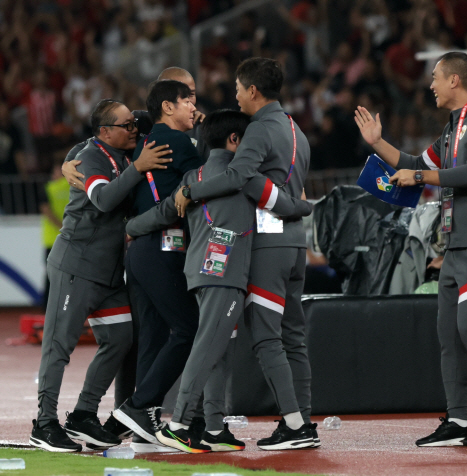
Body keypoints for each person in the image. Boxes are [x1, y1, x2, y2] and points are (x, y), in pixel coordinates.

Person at [355, 51, 467, 447]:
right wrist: (378, 145)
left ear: (455, 81)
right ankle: (458, 418)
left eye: (435, 78)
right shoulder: (451, 130)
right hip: (456, 247)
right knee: (448, 333)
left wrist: (421, 174)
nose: (430, 85)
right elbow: (412, 163)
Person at [127, 109, 313, 452]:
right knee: (209, 346)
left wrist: (130, 229)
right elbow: (288, 205)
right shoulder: (244, 178)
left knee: (217, 346)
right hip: (226, 275)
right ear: (235, 140)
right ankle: (179, 424)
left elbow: (164, 212)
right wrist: (305, 206)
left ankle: (214, 428)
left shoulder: (192, 176)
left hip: (197, 272)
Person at [174, 57, 317, 450]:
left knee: (266, 340)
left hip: (266, 246)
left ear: (253, 91)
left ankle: (294, 426)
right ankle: (303, 418)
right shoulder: (296, 130)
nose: (236, 97)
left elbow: (238, 177)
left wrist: (188, 192)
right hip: (295, 244)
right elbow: (289, 188)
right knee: (294, 337)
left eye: (238, 90)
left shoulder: (257, 130)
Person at [30, 99, 169, 452]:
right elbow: (105, 200)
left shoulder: (119, 150)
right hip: (75, 266)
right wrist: (137, 168)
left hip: (107, 273)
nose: (133, 130)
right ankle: (44, 423)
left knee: (121, 338)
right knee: (59, 345)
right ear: (105, 131)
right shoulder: (92, 157)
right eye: (126, 126)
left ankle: (83, 414)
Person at [113, 80, 204, 448]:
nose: (193, 108)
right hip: (163, 249)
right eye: (188, 101)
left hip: (137, 253)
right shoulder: (179, 142)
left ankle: (144, 421)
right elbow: (207, 180)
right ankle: (139, 405)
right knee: (188, 327)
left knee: (152, 334)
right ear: (168, 107)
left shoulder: (143, 144)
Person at [38, 161, 71, 310]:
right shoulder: (73, 186)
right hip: (70, 237)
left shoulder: (48, 188)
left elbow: (45, 210)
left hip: (52, 238)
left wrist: (61, 227)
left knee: (51, 275)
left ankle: (47, 308)